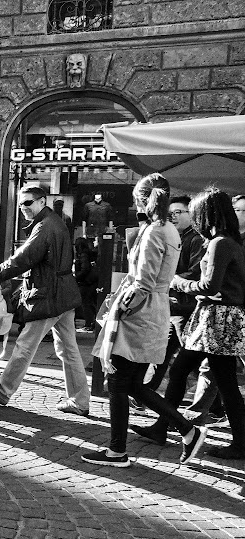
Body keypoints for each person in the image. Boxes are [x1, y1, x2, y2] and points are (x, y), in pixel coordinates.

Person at [81, 173, 205, 468]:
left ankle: (117, 451)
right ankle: (188, 430)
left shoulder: (154, 231)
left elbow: (143, 282)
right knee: (134, 384)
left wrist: (121, 310)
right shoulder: (169, 230)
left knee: (120, 382)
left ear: (141, 199)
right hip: (153, 310)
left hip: (141, 313)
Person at [130, 187, 245, 460]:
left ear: (206, 215)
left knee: (212, 379)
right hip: (218, 317)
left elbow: (209, 285)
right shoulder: (230, 241)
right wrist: (205, 290)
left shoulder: (220, 243)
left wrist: (176, 281)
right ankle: (165, 426)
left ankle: (236, 441)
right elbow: (212, 288)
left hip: (217, 319)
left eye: (195, 215)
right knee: (202, 375)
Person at [0, 184, 90, 416]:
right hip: (62, 294)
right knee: (68, 349)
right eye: (20, 204)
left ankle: (3, 390)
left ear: (41, 202)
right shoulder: (53, 223)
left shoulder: (45, 227)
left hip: (49, 295)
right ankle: (80, 400)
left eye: (27, 203)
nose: (23, 208)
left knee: (26, 345)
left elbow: (20, 260)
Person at [144, 196, 205, 391]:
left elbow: (196, 272)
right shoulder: (175, 236)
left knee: (189, 359)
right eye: (171, 214)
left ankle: (214, 407)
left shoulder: (196, 239)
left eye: (179, 212)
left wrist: (169, 278)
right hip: (174, 304)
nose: (174, 217)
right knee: (163, 354)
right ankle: (144, 392)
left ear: (191, 213)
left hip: (186, 306)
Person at [74, 237, 98, 332]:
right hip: (90, 282)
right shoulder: (90, 254)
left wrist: (76, 277)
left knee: (85, 303)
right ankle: (92, 322)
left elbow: (85, 269)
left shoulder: (83, 255)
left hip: (84, 282)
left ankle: (88, 323)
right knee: (90, 303)